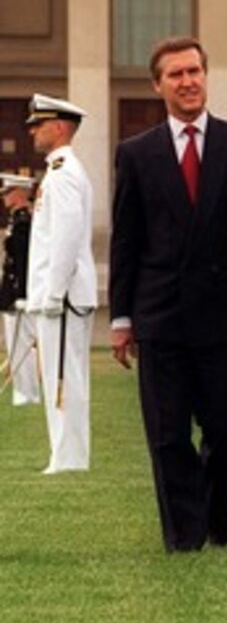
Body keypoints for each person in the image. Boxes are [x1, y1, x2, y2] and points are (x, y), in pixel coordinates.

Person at [109, 36, 227, 552]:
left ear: (206, 77)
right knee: (167, 436)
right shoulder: (137, 155)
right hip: (161, 316)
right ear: (157, 86)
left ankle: (214, 512)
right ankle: (184, 533)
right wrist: (121, 317)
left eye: (194, 72)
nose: (187, 82)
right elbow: (126, 242)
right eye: (176, 75)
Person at [23, 94, 97, 473]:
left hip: (64, 297)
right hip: (60, 295)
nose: (33, 132)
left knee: (62, 377)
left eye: (39, 124)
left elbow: (66, 239)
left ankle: (68, 459)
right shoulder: (58, 170)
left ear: (60, 127)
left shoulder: (65, 172)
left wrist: (52, 293)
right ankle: (65, 454)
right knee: (58, 375)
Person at [0, 180, 40, 406]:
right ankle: (23, 390)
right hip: (11, 292)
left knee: (21, 344)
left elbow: (25, 261)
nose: (4, 196)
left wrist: (23, 294)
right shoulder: (16, 220)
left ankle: (28, 392)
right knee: (16, 346)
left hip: (19, 294)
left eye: (8, 192)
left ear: (20, 193)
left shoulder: (24, 222)